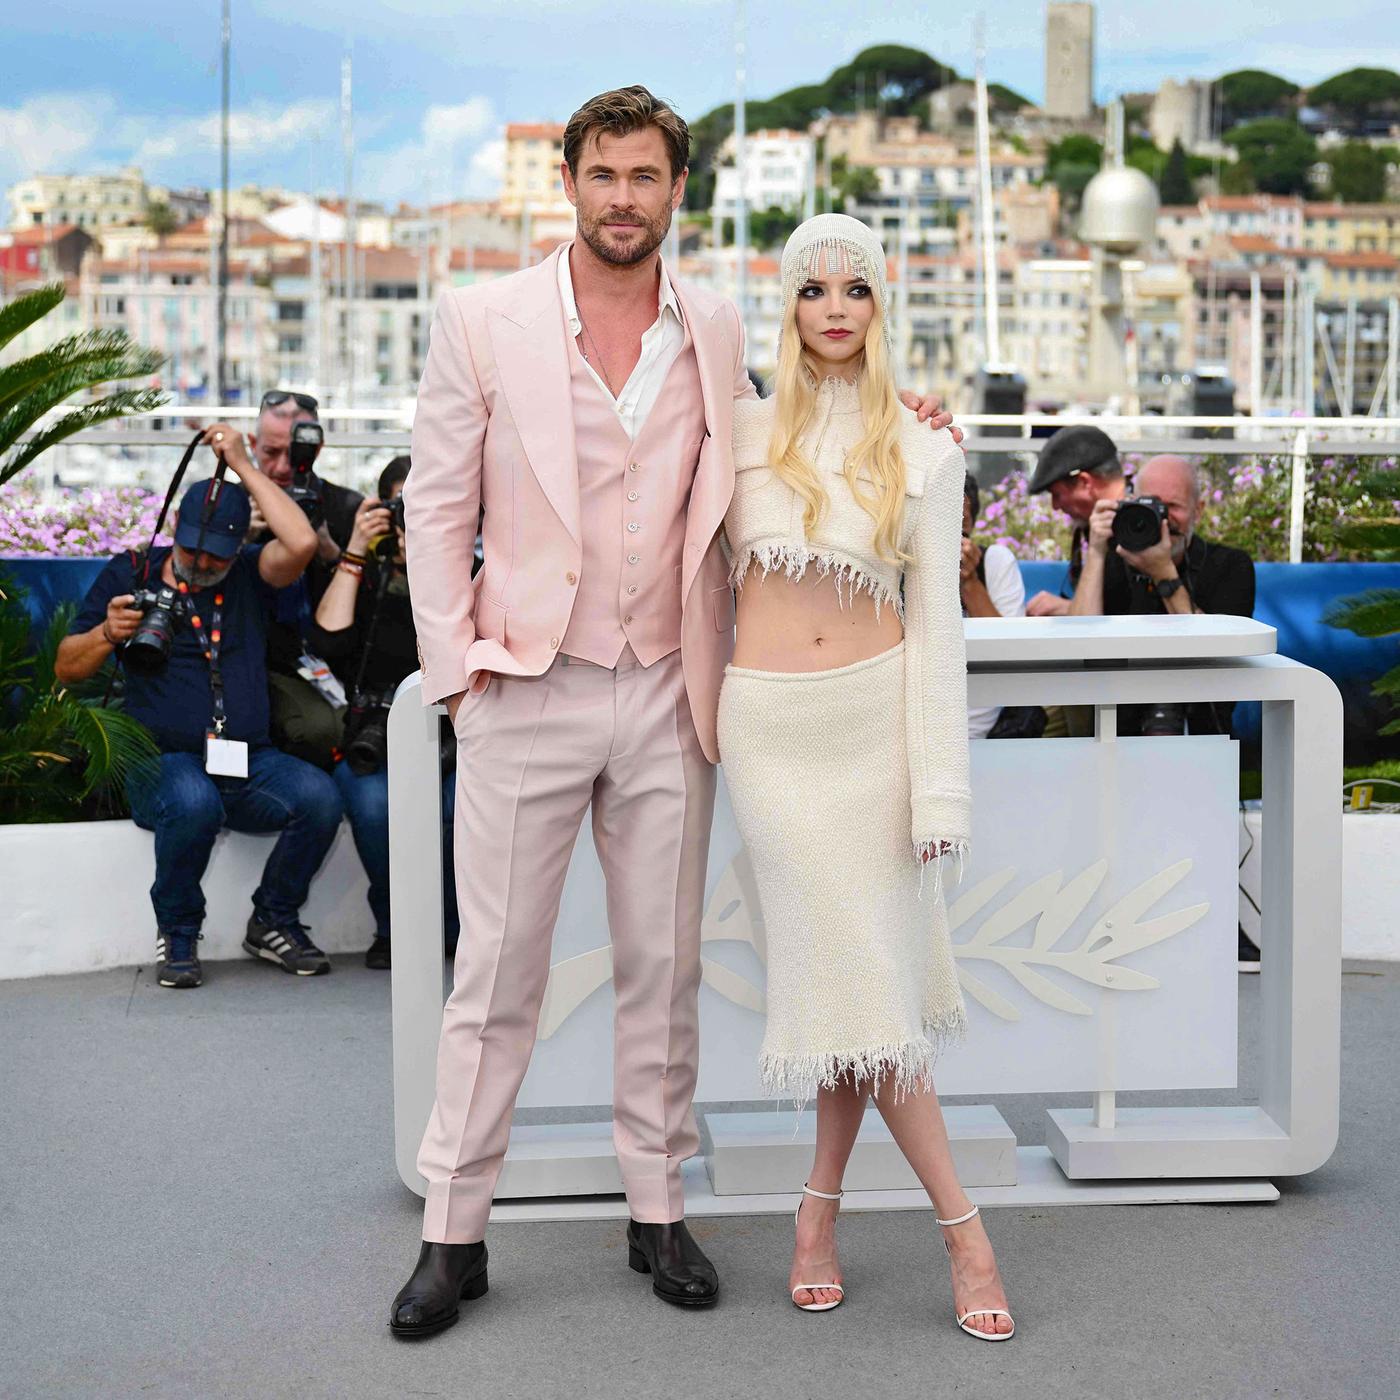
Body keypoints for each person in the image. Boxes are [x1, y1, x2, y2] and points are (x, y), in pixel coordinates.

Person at [390, 85, 959, 1338]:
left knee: (666, 965)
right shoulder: (478, 319)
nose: (623, 198)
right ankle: (453, 1231)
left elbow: (798, 431)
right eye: (604, 174)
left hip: (669, 690)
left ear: (674, 191)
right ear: (571, 184)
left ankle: (658, 1206)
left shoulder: (711, 322)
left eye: (646, 177)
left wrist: (908, 419)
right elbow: (434, 509)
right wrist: (457, 672)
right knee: (495, 973)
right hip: (524, 687)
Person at [718, 213, 1013, 1341]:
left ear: (879, 305)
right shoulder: (736, 433)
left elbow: (939, 630)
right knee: (861, 986)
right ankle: (962, 1230)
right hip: (769, 738)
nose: (832, 307)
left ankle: (819, 1214)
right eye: (810, 289)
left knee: (862, 993)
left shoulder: (923, 449)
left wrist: (939, 788)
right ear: (786, 307)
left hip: (873, 730)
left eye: (853, 288)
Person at [55, 426, 344, 990]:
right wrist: (107, 636)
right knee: (192, 801)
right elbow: (67, 667)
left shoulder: (251, 578)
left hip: (243, 760)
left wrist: (241, 462)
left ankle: (274, 920)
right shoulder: (132, 570)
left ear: (238, 549)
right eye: (189, 549)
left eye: (215, 555)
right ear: (174, 531)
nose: (199, 563)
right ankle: (180, 932)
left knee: (320, 799)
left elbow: (303, 544)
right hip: (161, 761)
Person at [307, 455, 459, 970]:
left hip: (450, 733)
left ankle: (453, 927)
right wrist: (355, 550)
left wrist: (429, 557)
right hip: (375, 734)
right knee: (375, 810)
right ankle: (395, 926)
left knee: (452, 810)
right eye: (401, 503)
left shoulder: (465, 569)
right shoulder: (366, 575)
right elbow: (328, 638)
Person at [246, 391, 365, 770]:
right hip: (251, 657)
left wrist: (331, 550)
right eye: (270, 452)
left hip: (329, 660)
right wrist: (237, 541)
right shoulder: (232, 504)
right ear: (251, 444)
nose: (282, 467)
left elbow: (371, 608)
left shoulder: (345, 507)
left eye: (295, 453)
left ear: (317, 448)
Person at [1023, 423, 1126, 618]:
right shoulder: (1103, 527)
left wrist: (1069, 609)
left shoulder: (1137, 534)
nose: (1055, 506)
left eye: (1057, 494)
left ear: (1085, 483)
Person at [959, 472, 1026, 739]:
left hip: (980, 724)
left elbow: (1009, 652)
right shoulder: (896, 567)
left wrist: (970, 582)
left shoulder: (994, 562)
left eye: (959, 527)